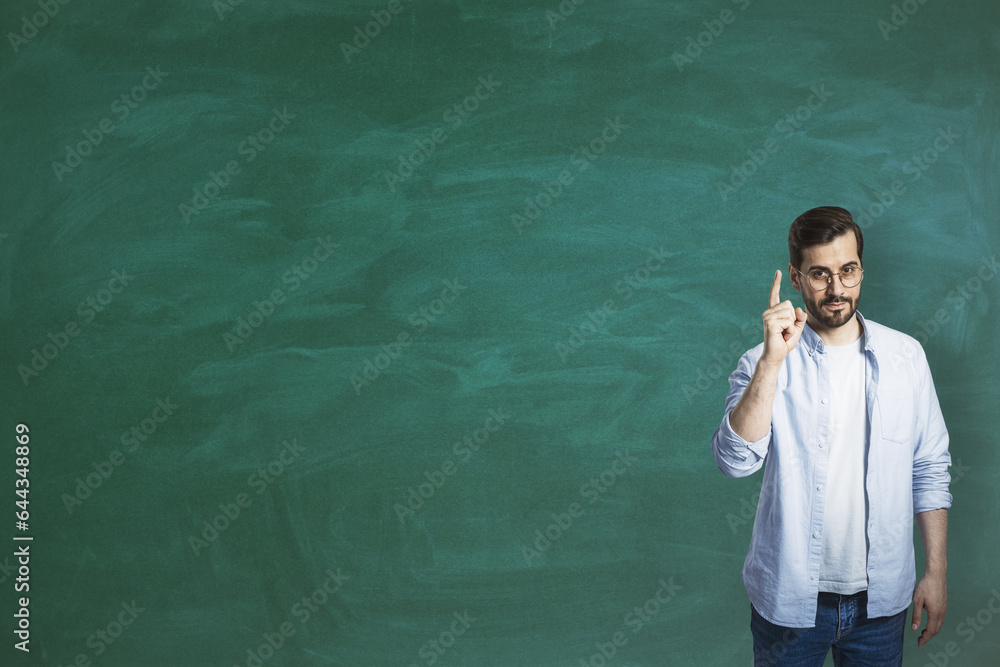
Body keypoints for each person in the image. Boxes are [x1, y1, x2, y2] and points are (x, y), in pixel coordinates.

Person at [711, 206, 952, 666]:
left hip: (881, 605)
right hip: (788, 602)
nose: (837, 288)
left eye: (848, 270)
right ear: (797, 279)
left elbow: (930, 467)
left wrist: (936, 571)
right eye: (820, 274)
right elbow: (734, 461)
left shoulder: (906, 357)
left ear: (861, 270)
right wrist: (771, 362)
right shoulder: (762, 362)